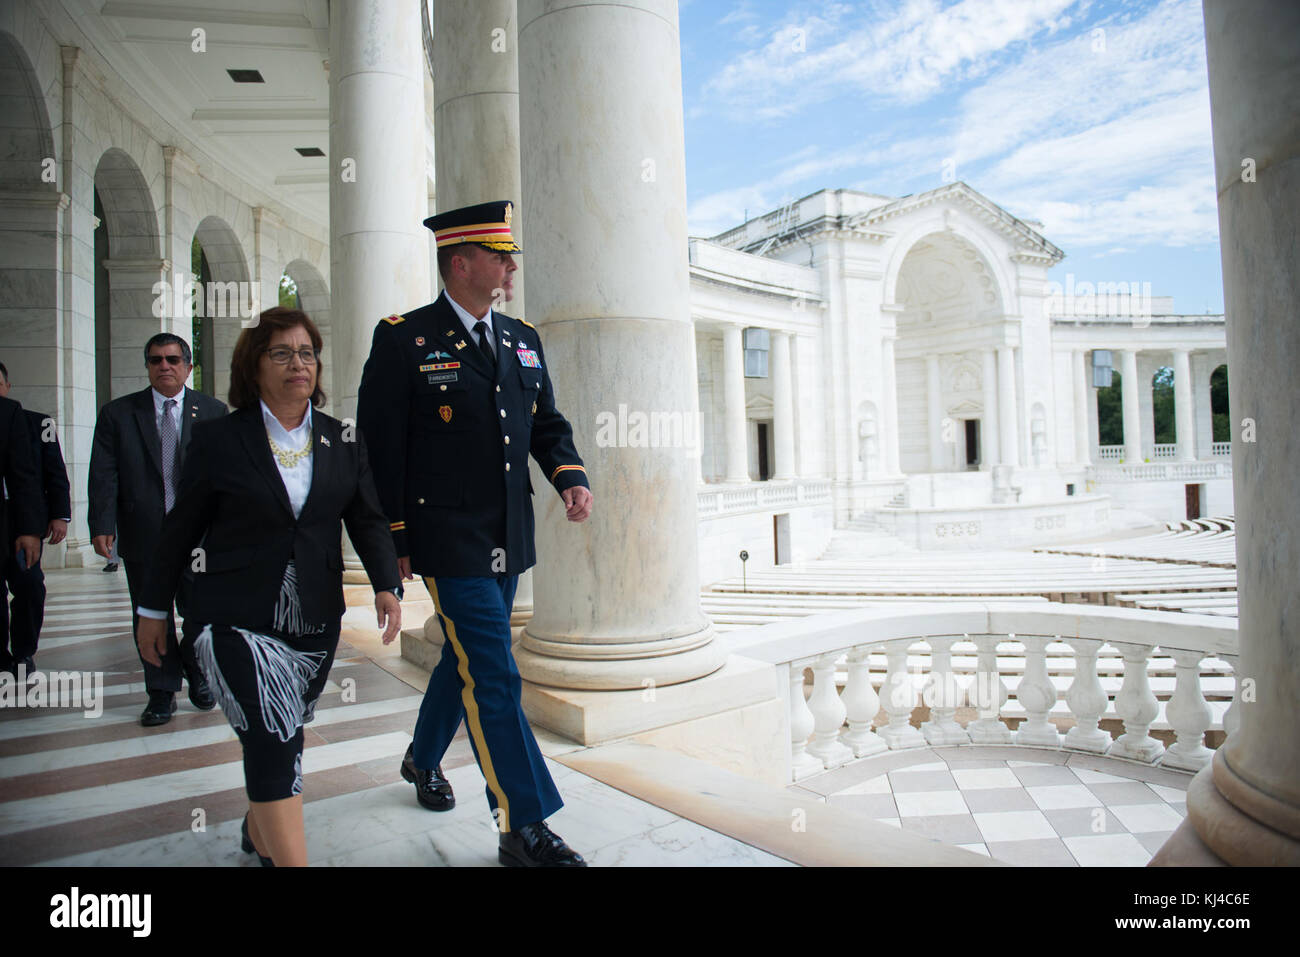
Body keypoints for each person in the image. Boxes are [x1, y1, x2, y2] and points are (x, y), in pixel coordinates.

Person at [358, 200, 593, 867]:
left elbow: (544, 421)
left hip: (508, 532)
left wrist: (567, 473)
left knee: (468, 654)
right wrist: (392, 538)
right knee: (493, 669)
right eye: (499, 254)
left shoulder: (522, 337)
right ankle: (523, 825)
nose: (509, 265)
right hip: (445, 533)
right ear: (460, 263)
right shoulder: (404, 337)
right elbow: (379, 446)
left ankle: (421, 755)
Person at [137, 307, 401, 867]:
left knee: (286, 729)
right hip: (233, 615)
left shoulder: (342, 439)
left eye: (306, 352)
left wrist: (385, 584)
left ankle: (259, 831)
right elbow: (179, 529)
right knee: (272, 732)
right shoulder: (218, 439)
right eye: (280, 353)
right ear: (253, 367)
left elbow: (368, 518)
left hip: (312, 617)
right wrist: (153, 609)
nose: (297, 364)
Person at [88, 334, 226, 725]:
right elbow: (103, 473)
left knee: (201, 613)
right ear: (147, 366)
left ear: (187, 366)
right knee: (151, 615)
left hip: (199, 537)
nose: (163, 366)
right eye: (155, 360)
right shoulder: (118, 414)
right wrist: (101, 523)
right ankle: (161, 693)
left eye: (171, 359)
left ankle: (199, 674)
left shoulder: (213, 412)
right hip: (144, 531)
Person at [0, 362, 71, 679]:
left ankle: (24, 651)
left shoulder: (35, 423)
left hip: (19, 522)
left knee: (29, 587)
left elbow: (48, 474)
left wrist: (57, 515)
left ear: (7, 386)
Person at [0, 392, 43, 672]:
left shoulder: (9, 412)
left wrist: (30, 530)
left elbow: (23, 474)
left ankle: (24, 651)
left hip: (10, 523)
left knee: (29, 587)